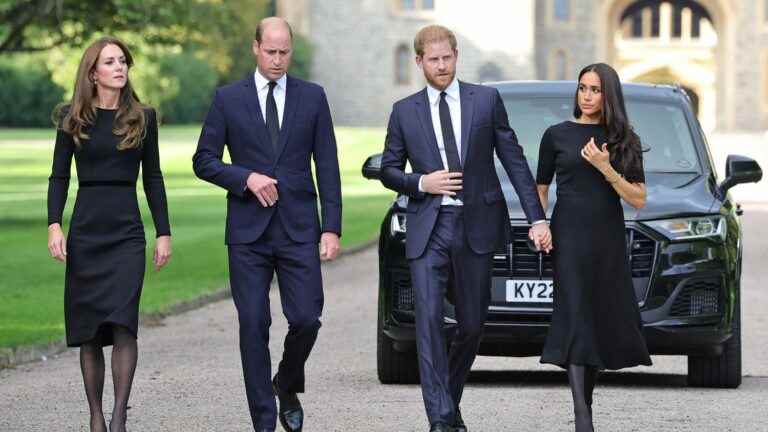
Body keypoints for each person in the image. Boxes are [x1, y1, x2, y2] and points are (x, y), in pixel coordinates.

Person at [379, 25, 551, 432]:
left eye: (447, 58)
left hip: (475, 225)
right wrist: (422, 182)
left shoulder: (486, 100)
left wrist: (537, 216)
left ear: (456, 55)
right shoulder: (405, 111)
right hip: (428, 227)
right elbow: (387, 170)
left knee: (472, 325)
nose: (442, 67)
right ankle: (440, 420)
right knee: (429, 322)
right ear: (418, 61)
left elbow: (514, 160)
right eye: (433, 60)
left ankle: (448, 403)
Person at [192, 17, 342, 432]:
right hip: (248, 233)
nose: (278, 60)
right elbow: (203, 161)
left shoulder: (313, 97)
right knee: (253, 323)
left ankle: (287, 382)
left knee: (307, 318)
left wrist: (331, 228)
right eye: (271, 51)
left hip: (299, 229)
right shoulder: (228, 99)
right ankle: (263, 421)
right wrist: (245, 178)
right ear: (255, 48)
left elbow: (326, 165)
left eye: (284, 52)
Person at [46, 36, 172, 432]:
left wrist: (163, 232)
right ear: (93, 72)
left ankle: (118, 417)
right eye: (111, 62)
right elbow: (59, 176)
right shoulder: (72, 118)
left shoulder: (143, 117)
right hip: (86, 230)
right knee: (89, 330)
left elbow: (153, 178)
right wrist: (54, 224)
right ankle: (96, 417)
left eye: (123, 61)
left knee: (123, 322)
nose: (120, 68)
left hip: (127, 233)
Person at [536, 63, 653, 432]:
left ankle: (585, 405)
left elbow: (638, 199)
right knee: (574, 315)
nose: (586, 96)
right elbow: (540, 188)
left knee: (595, 319)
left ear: (609, 96)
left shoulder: (623, 141)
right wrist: (540, 226)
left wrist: (606, 167)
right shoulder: (555, 135)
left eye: (595, 90)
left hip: (606, 238)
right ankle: (582, 417)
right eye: (582, 88)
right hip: (567, 236)